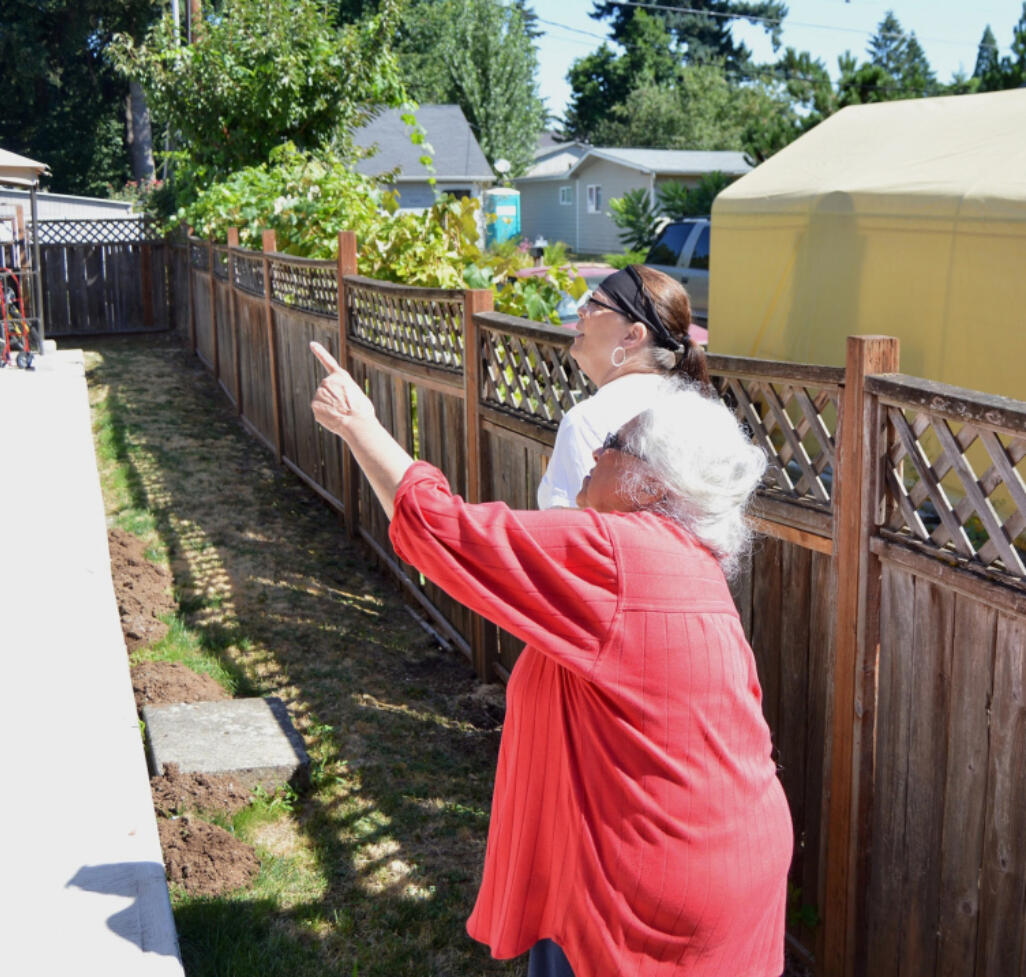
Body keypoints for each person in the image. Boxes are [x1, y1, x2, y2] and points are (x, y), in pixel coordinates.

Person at [309, 340, 791, 977]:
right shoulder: (690, 565)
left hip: (644, 890)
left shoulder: (616, 554)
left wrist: (358, 425)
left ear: (652, 478)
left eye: (615, 442)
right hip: (729, 857)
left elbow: (442, 529)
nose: (594, 451)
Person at [538, 264, 708, 509]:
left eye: (595, 304)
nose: (581, 310)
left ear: (632, 335)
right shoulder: (690, 409)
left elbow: (574, 536)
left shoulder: (589, 420)